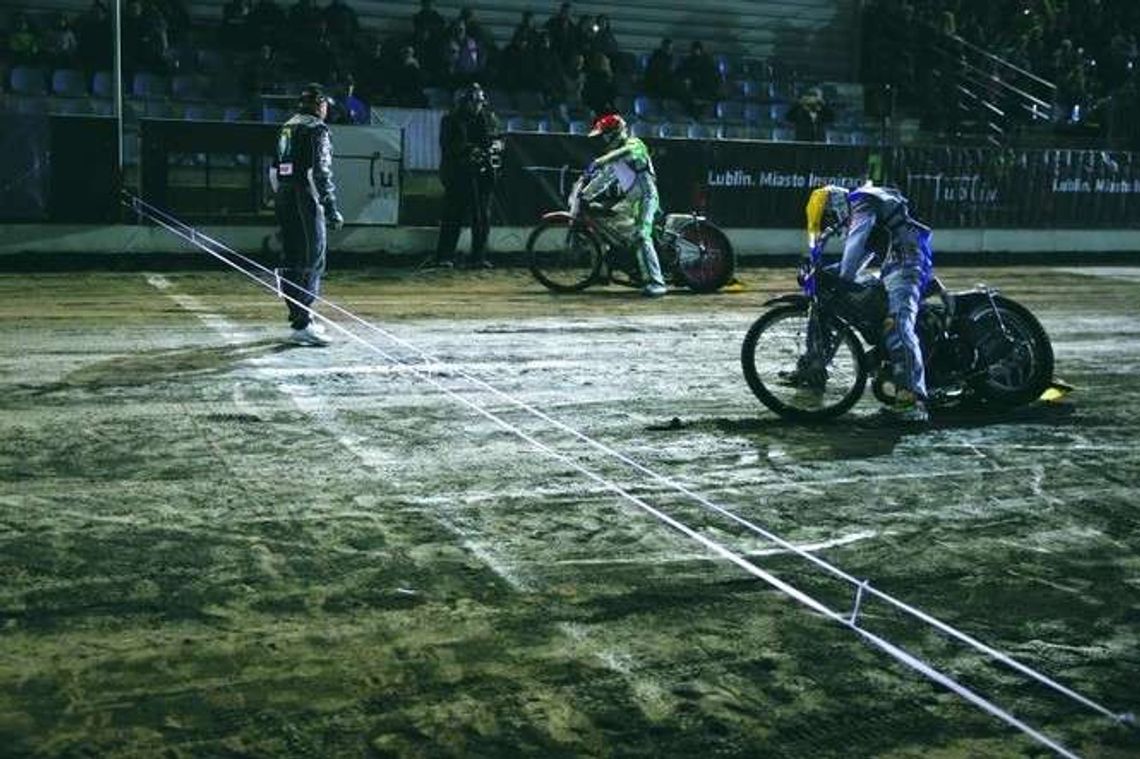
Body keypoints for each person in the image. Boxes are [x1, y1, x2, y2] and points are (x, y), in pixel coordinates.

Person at [803, 183, 935, 422]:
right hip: (893, 265)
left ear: (836, 206)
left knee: (895, 325)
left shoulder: (862, 200)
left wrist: (843, 277)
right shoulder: (868, 206)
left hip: (906, 264)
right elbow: (863, 252)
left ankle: (912, 401)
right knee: (827, 286)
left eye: (830, 220)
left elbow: (857, 242)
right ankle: (812, 365)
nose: (833, 226)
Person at [271, 83, 344, 346]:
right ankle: (303, 323)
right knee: (312, 258)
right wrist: (330, 207)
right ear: (319, 104)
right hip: (305, 195)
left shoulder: (287, 126)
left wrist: (282, 195)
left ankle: (298, 317)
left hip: (284, 192)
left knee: (291, 256)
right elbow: (319, 171)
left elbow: (274, 170)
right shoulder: (316, 129)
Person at [578, 112, 667, 297]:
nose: (603, 140)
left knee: (642, 235)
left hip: (647, 198)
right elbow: (604, 179)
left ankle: (656, 282)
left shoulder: (634, 144)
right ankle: (606, 271)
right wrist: (585, 194)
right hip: (630, 202)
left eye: (604, 136)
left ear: (614, 134)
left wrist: (600, 161)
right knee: (600, 219)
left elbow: (626, 152)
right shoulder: (614, 158)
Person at [435, 82, 501, 269]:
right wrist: (470, 150)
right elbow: (449, 147)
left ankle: (478, 257)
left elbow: (492, 139)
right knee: (452, 216)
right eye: (475, 101)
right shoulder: (450, 120)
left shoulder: (484, 118)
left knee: (481, 217)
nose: (479, 105)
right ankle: (444, 256)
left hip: (480, 174)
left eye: (480, 102)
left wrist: (493, 146)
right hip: (458, 174)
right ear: (465, 102)